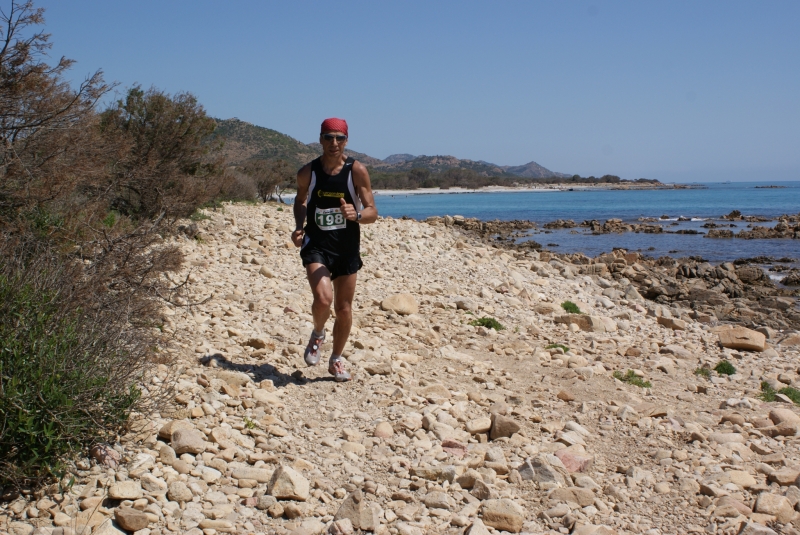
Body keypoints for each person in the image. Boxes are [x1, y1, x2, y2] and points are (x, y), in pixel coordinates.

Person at [291, 118, 378, 382]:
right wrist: (298, 226)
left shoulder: (357, 171)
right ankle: (318, 333)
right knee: (323, 299)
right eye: (328, 137)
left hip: (347, 248)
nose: (334, 143)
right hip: (317, 245)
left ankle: (336, 359)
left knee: (343, 309)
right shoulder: (308, 171)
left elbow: (373, 211)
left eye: (339, 138)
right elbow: (300, 199)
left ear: (346, 140)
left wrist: (357, 214)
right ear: (320, 139)